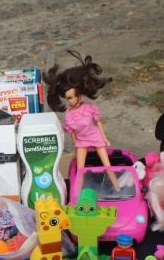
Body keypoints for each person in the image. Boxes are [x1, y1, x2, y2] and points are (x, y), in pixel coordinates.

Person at [43, 50, 119, 190]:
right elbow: (72, 132)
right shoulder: (68, 114)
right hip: (81, 141)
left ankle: (117, 187)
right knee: (81, 168)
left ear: (80, 93)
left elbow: (98, 122)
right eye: (69, 98)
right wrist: (75, 143)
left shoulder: (89, 108)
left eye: (75, 96)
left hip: (95, 136)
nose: (73, 100)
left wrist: (104, 138)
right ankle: (78, 192)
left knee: (107, 165)